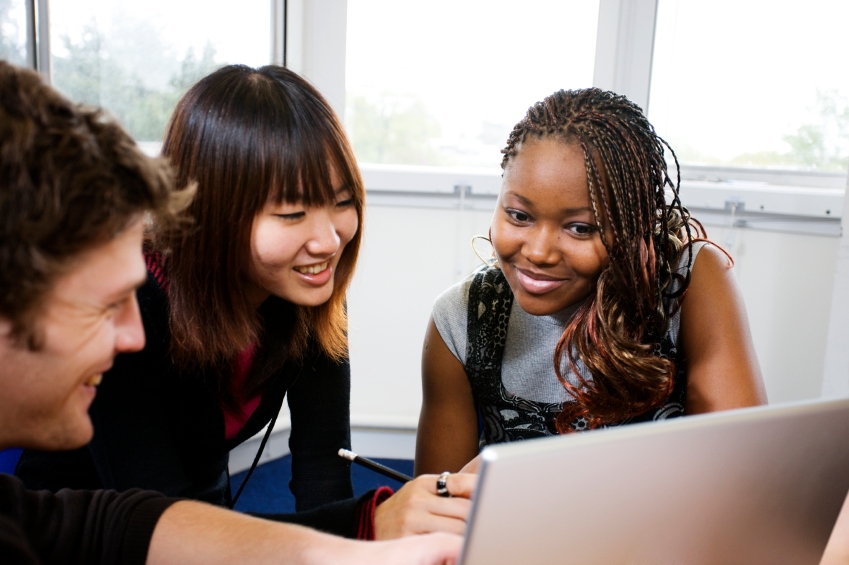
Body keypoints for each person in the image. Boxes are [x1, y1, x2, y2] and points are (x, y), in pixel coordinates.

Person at [0, 60, 461, 565]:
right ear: (216, 216)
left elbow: (318, 472)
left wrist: (359, 535)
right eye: (292, 214)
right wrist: (366, 525)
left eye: (343, 203)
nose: (328, 241)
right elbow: (144, 517)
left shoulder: (307, 288)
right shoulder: (147, 307)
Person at [415, 88, 768, 474]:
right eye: (519, 216)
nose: (539, 252)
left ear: (633, 228)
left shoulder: (688, 280)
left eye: (580, 228)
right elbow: (435, 510)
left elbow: (740, 472)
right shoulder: (461, 319)